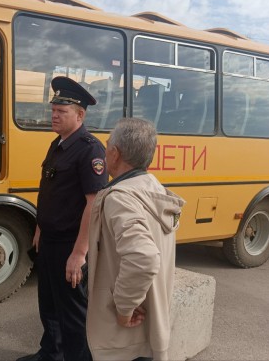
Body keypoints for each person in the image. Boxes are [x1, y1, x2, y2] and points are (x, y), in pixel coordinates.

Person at [18, 77, 108, 361]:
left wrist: (79, 254)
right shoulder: (57, 144)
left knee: (73, 313)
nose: (54, 115)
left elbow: (93, 205)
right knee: (49, 304)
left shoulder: (90, 150)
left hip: (71, 243)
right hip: (50, 239)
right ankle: (51, 354)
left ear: (80, 115)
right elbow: (49, 191)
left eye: (61, 111)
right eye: (53, 110)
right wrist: (39, 227)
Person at [86, 118, 186, 361]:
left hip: (122, 338)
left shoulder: (120, 198)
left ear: (115, 153)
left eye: (108, 144)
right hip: (151, 327)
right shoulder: (154, 188)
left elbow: (144, 257)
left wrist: (123, 309)